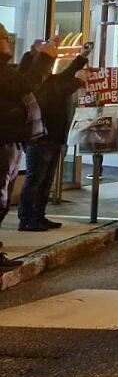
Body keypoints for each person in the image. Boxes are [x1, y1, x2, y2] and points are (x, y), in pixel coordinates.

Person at [19, 43, 91, 232]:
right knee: (35, 180)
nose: (52, 63)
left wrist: (82, 57)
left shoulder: (48, 79)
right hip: (40, 138)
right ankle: (26, 218)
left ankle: (38, 215)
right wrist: (77, 82)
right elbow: (55, 92)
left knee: (45, 180)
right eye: (49, 59)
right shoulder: (33, 81)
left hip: (53, 137)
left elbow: (65, 75)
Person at [0, 29, 56, 268]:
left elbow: (17, 79)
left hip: (10, 140)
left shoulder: (5, 69)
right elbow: (25, 84)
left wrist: (33, 55)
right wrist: (43, 58)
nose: (8, 41)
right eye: (3, 38)